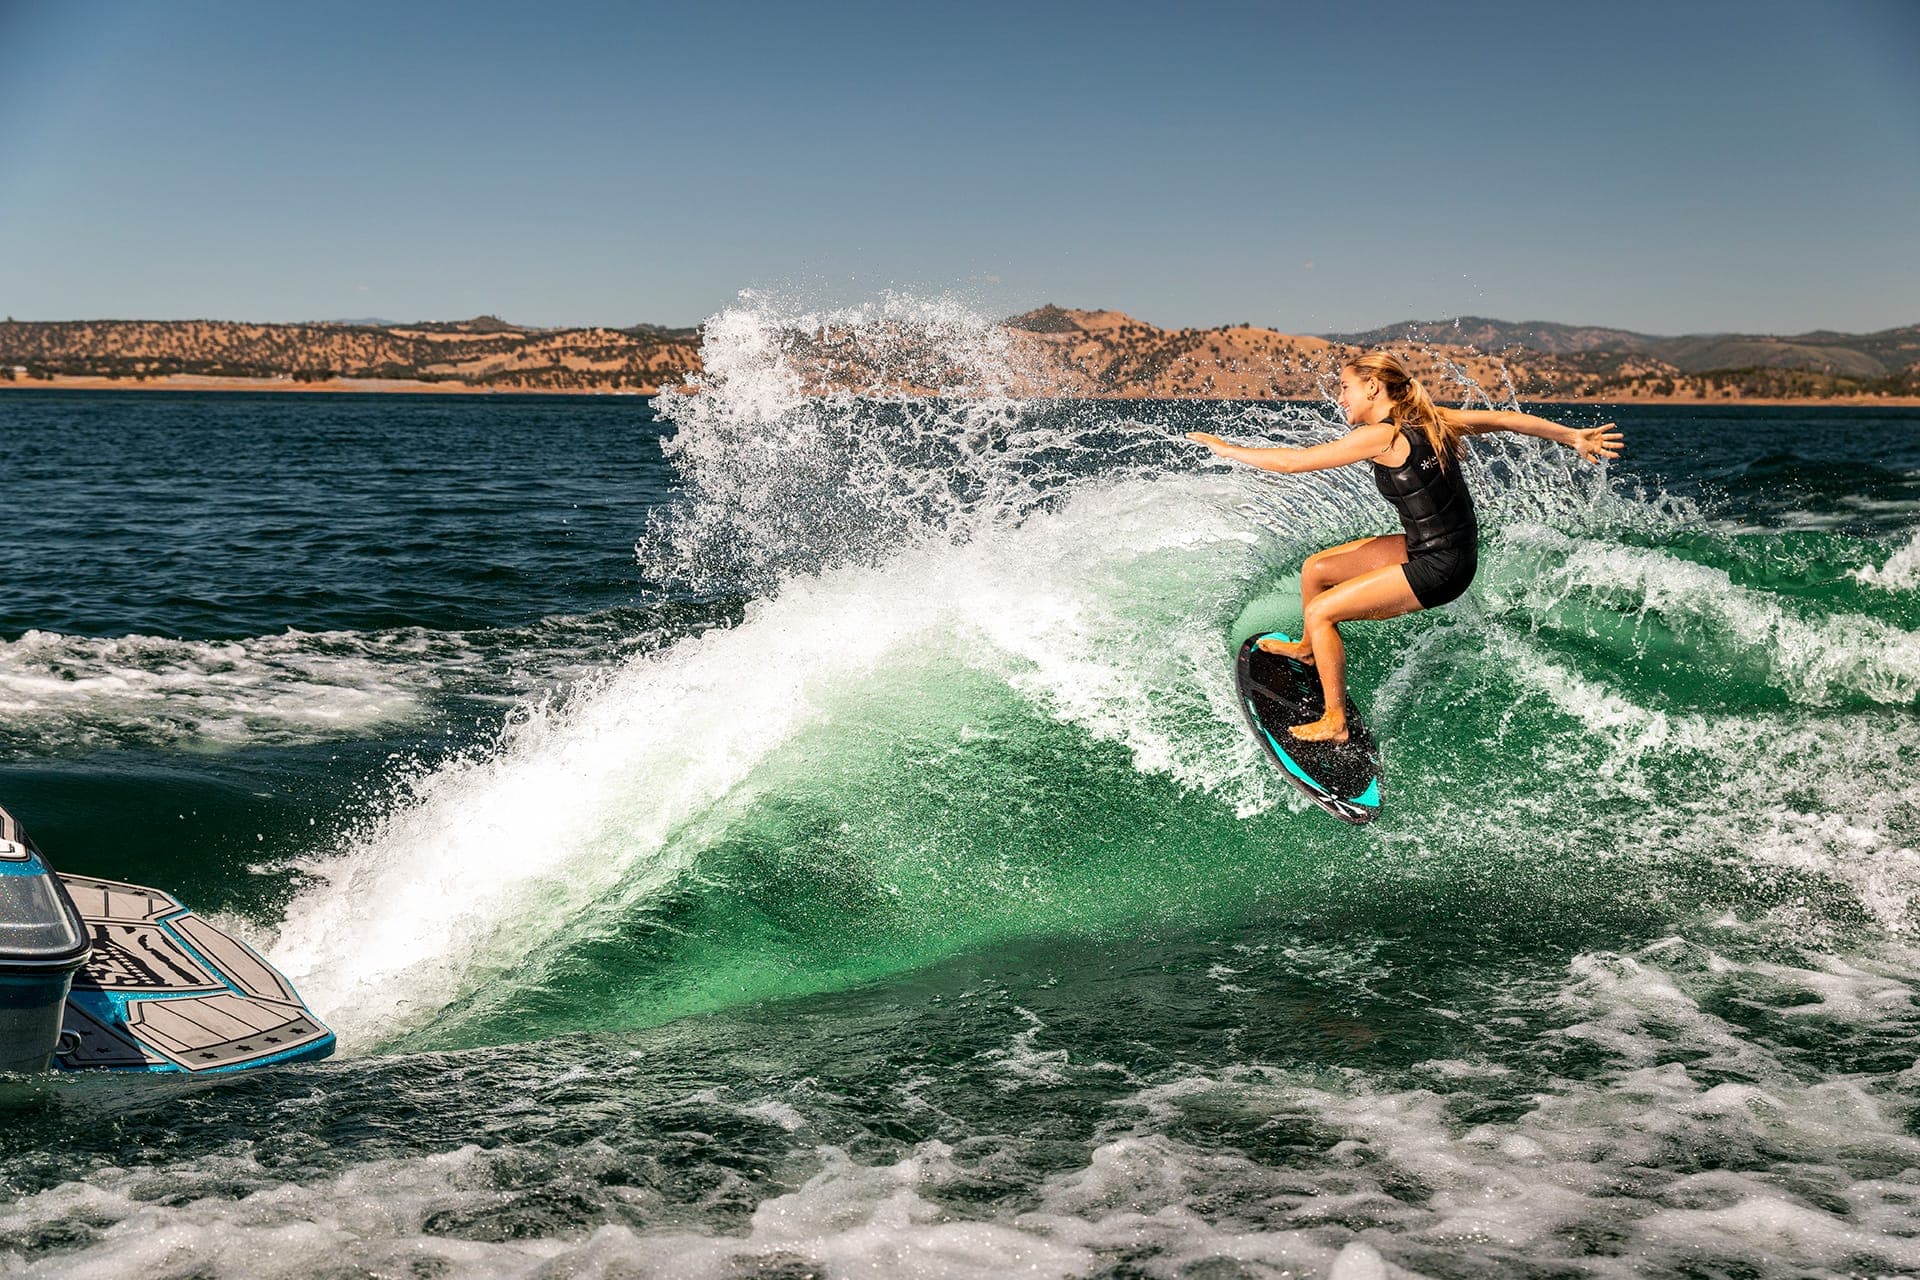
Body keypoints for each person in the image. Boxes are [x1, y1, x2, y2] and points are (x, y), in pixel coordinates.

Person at [1187, 351, 1622, 743]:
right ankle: (1306, 648)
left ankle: (1334, 720)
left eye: (1345, 387)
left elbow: (1293, 463)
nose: (1340, 398)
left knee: (1323, 610)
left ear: (1373, 387)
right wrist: (1570, 436)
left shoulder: (1384, 434)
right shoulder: (1432, 418)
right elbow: (1508, 419)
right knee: (1316, 570)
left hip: (1442, 566)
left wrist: (1227, 450)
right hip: (1436, 547)